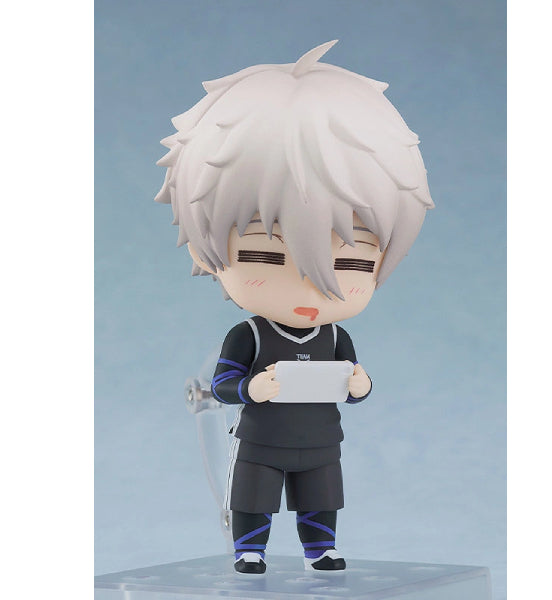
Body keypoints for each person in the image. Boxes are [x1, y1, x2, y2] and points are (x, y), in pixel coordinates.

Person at [156, 40, 433, 574]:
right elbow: (222, 384)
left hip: (322, 440)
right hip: (261, 440)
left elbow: (353, 381)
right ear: (205, 250)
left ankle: (320, 548)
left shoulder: (336, 337)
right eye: (266, 255)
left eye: (350, 263)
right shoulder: (250, 336)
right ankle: (250, 549)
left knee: (321, 494)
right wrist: (250, 389)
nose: (311, 289)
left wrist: (360, 385)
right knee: (253, 494)